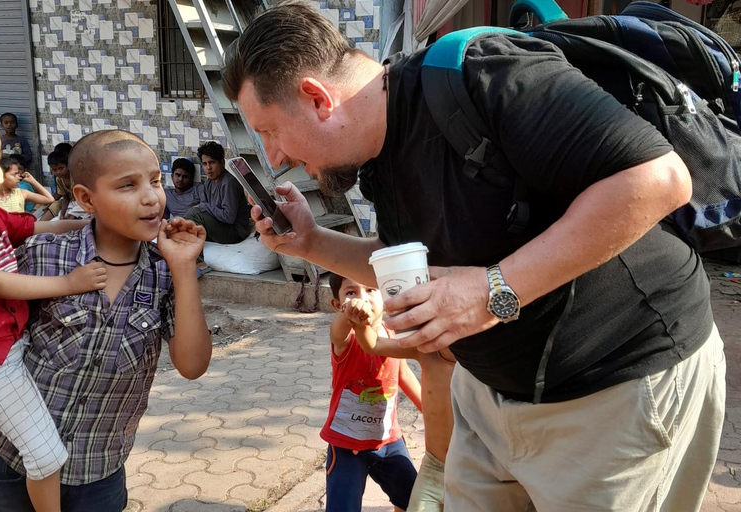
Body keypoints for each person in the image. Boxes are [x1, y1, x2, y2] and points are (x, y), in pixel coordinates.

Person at [224, 3, 725, 511]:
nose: (275, 158)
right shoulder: (376, 153)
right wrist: (310, 243)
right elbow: (408, 261)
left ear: (317, 97)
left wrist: (493, 290)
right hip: (487, 397)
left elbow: (658, 180)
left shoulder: (486, 75)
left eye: (269, 131)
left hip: (614, 389)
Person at [0, 129, 213, 512]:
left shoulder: (165, 274)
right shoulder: (45, 256)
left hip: (97, 472)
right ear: (86, 198)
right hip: (10, 459)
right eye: (128, 186)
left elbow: (192, 365)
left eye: (155, 181)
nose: (151, 197)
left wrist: (184, 269)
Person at [0, 111, 107, 512]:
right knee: (46, 456)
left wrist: (94, 223)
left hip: (11, 350)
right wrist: (70, 283)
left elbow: (38, 228)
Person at [323, 273, 420, 512]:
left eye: (370, 290)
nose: (362, 299)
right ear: (337, 305)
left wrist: (430, 410)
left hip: (388, 441)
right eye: (351, 292)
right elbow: (336, 332)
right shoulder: (346, 340)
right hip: (347, 445)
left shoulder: (390, 333)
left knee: (414, 500)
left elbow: (403, 373)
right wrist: (347, 317)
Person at [185, 141, 251, 244]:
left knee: (194, 215)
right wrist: (203, 207)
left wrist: (204, 206)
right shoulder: (209, 183)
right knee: (186, 219)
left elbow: (228, 217)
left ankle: (197, 256)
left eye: (212, 162)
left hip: (235, 232)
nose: (208, 168)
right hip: (220, 225)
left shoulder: (229, 184)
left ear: (222, 162)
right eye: (205, 164)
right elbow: (203, 207)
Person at [40, 150, 76, 221]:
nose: (58, 172)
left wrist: (71, 215)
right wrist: (62, 214)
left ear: (68, 166)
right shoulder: (59, 179)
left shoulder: (75, 177)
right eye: (54, 170)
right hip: (71, 203)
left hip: (81, 203)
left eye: (61, 168)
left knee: (72, 214)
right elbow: (65, 198)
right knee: (60, 217)